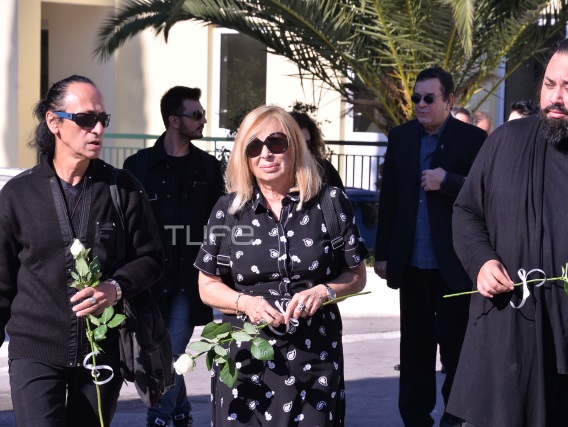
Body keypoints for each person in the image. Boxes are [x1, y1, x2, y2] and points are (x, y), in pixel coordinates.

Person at [447, 35, 568, 427]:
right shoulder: (505, 142)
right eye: (549, 83)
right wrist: (482, 262)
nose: (554, 97)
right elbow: (467, 212)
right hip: (513, 337)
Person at [0, 75, 164, 426]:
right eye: (86, 119)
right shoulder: (17, 195)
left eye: (102, 119)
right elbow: (1, 282)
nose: (98, 129)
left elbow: (152, 259)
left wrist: (115, 287)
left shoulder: (123, 189)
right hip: (34, 350)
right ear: (54, 122)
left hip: (100, 351)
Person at [194, 105, 369, 426]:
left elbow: (356, 274)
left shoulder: (330, 202)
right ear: (244, 155)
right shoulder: (228, 210)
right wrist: (245, 303)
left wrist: (324, 291)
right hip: (244, 360)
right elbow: (207, 286)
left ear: (295, 146)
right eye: (254, 146)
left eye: (276, 142)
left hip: (315, 359)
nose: (266, 153)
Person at [374, 66, 487, 427]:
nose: (421, 105)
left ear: (449, 100)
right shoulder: (401, 137)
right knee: (415, 350)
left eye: (428, 98)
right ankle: (415, 418)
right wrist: (383, 253)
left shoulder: (472, 139)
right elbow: (389, 197)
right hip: (412, 265)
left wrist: (448, 181)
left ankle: (456, 416)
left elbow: (487, 194)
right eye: (416, 98)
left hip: (454, 265)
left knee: (456, 348)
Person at [123, 86, 225, 427]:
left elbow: (219, 224)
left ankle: (159, 414)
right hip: (147, 280)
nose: (203, 120)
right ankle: (180, 411)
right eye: (196, 114)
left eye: (202, 114)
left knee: (171, 352)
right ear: (174, 120)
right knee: (152, 349)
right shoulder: (138, 166)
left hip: (188, 280)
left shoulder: (208, 168)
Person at [289, 111, 345, 189]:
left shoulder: (324, 169)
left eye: (307, 144)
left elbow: (339, 194)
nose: (303, 150)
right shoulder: (276, 171)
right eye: (297, 144)